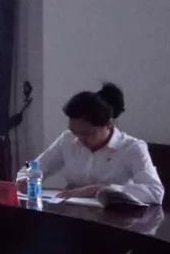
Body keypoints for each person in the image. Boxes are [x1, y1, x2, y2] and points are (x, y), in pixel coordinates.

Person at [17, 83, 164, 205]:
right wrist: (23, 179)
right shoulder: (67, 139)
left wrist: (101, 189)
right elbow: (35, 166)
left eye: (88, 133)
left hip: (118, 220)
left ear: (108, 124)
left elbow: (155, 192)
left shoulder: (132, 148)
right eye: (75, 132)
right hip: (74, 213)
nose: (80, 139)